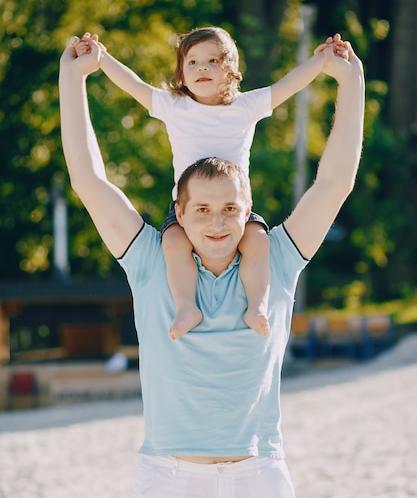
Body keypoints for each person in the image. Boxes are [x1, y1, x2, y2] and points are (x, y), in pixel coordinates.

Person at [59, 32, 364, 498]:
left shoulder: (277, 258)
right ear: (178, 212)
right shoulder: (151, 261)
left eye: (229, 208)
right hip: (171, 483)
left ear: (249, 211)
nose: (216, 221)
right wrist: (74, 79)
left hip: (260, 480)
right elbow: (88, 179)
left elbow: (336, 181)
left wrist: (351, 81)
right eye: (200, 208)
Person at [74, 26, 348, 340]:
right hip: (188, 210)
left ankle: (257, 305)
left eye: (213, 61)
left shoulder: (246, 107)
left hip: (234, 210)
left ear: (231, 71)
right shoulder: (174, 107)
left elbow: (288, 85)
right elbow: (133, 84)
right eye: (192, 62)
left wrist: (322, 61)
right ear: (181, 74)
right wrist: (101, 58)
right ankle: (186, 306)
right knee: (172, 244)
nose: (202, 67)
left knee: (258, 242)